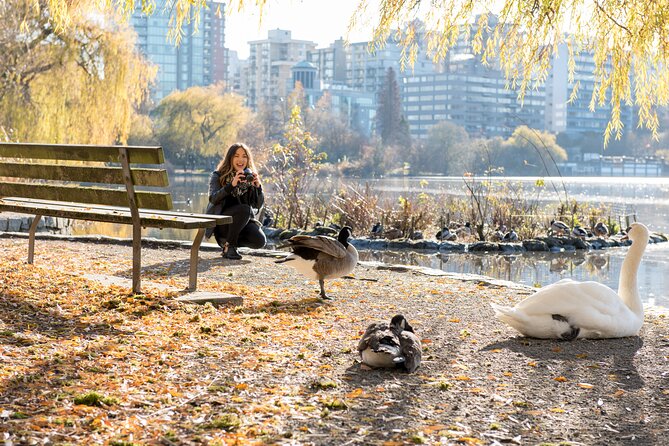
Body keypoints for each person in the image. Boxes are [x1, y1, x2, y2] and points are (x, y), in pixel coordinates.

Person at [205, 142, 266, 260]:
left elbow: (258, 205)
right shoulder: (218, 175)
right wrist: (231, 185)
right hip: (222, 224)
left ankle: (230, 244)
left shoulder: (249, 177)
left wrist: (258, 188)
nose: (240, 159)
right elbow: (213, 198)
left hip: (241, 224)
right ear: (230, 158)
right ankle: (229, 245)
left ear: (248, 159)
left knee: (259, 241)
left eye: (244, 156)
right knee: (244, 209)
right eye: (236, 156)